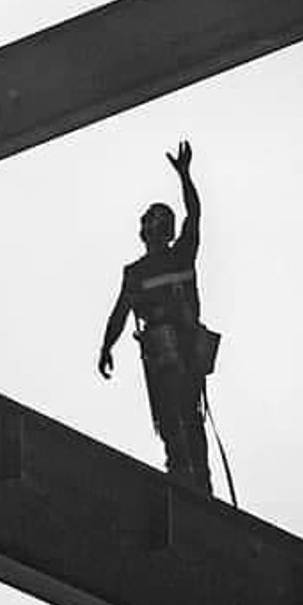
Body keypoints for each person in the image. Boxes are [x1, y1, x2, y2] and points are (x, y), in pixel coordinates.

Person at [98, 139, 215, 494]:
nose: (158, 223)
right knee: (174, 419)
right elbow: (120, 312)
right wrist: (106, 346)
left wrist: (185, 176)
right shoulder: (137, 272)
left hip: (180, 351)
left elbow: (195, 214)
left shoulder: (182, 254)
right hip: (162, 354)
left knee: (188, 418)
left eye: (161, 219)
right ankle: (185, 475)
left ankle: (197, 480)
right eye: (155, 219)